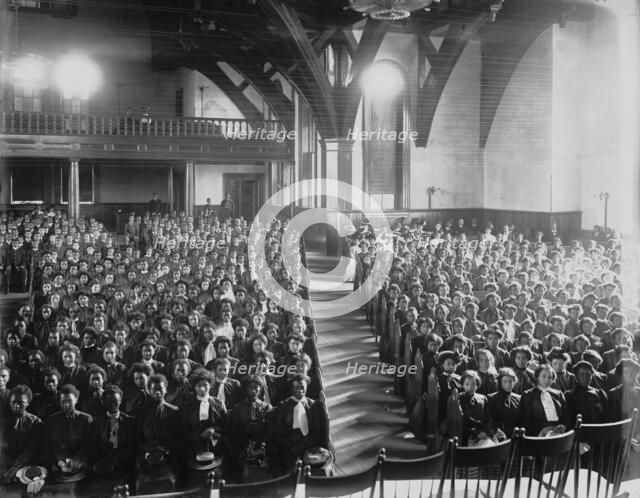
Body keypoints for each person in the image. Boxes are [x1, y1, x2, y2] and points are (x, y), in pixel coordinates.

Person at [43, 384, 93, 481]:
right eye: (63, 402)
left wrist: (78, 460)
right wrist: (55, 463)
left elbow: (90, 445)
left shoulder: (86, 419)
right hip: (58, 469)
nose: (66, 404)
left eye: (69, 401)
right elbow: (47, 446)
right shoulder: (52, 420)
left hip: (81, 467)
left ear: (76, 400)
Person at [0, 385, 43, 483]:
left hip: (27, 464)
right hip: (4, 464)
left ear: (27, 403)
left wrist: (15, 467)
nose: (17, 406)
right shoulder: (3, 422)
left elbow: (32, 448)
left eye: (21, 403)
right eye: (13, 402)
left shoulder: (35, 422)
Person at [90, 385, 135, 478]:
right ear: (104, 402)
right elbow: (93, 446)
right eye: (109, 401)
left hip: (124, 462)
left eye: (115, 401)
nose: (112, 404)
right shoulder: (97, 423)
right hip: (103, 462)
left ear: (121, 401)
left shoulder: (129, 421)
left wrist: (120, 458)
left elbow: (132, 445)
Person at [519, 364, 569, 436]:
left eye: (550, 377)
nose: (547, 380)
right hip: (538, 433)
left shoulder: (559, 394)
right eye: (544, 376)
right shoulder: (528, 395)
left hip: (559, 431)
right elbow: (526, 421)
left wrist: (564, 426)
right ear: (537, 377)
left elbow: (566, 417)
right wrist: (543, 431)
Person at [565, 361, 607, 425]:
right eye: (582, 374)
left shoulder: (600, 393)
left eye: (588, 374)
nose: (585, 377)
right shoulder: (569, 395)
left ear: (591, 377)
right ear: (576, 376)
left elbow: (607, 415)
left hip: (599, 430)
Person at [488, 368, 521, 439]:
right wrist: (497, 432)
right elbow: (491, 422)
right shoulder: (492, 398)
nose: (508, 384)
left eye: (510, 381)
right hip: (499, 436)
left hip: (516, 435)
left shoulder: (519, 398)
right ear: (500, 382)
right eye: (505, 381)